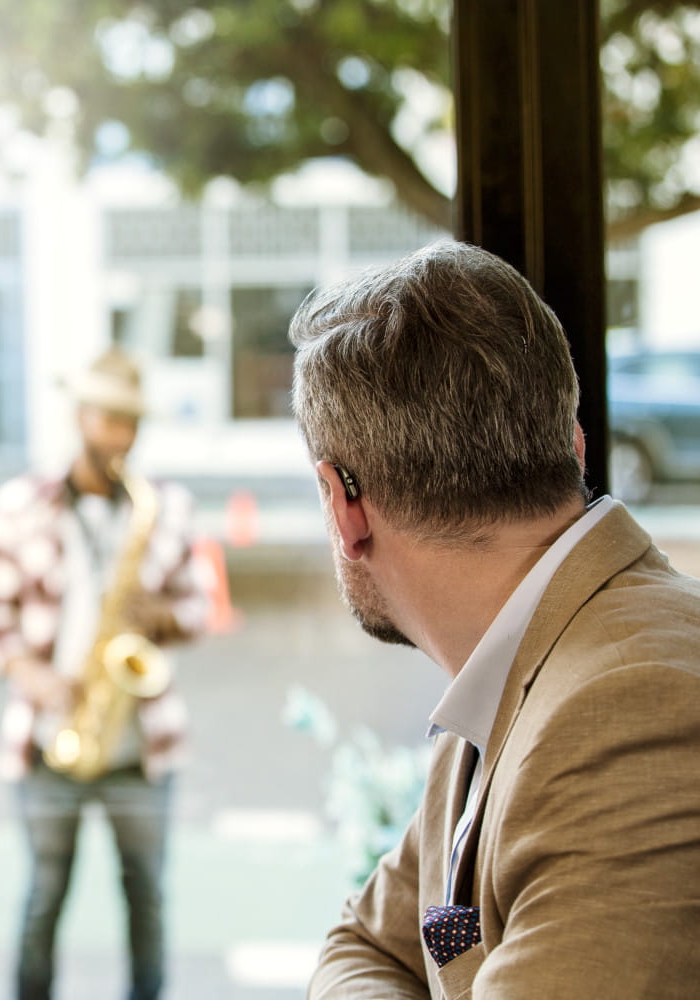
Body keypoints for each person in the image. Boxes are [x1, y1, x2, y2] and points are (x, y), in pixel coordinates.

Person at [288, 241, 700, 999]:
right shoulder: (502, 672)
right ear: (573, 445)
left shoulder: (632, 710)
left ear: (342, 507)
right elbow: (369, 944)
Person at [0, 347, 209, 1000]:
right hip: (49, 737)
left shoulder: (166, 507)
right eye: (110, 420)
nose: (121, 437)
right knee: (44, 896)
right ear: (80, 417)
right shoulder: (17, 505)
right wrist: (33, 676)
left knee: (147, 898)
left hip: (142, 745)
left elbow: (198, 610)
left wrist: (160, 614)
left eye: (132, 423)